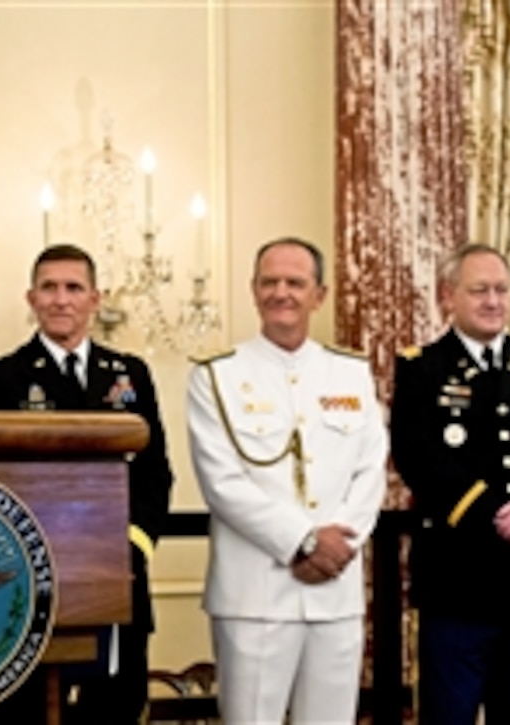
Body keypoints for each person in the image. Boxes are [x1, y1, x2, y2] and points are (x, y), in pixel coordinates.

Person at [187, 237, 387, 724]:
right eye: (269, 282)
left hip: (334, 591)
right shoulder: (217, 375)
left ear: (318, 294)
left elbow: (370, 467)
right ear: (253, 291)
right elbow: (223, 482)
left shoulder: (351, 372)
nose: (282, 293)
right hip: (253, 593)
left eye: (295, 283)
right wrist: (302, 541)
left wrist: (338, 544)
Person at [0, 243, 173, 724]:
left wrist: (133, 544)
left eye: (73, 288)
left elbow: (154, 471)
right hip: (34, 569)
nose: (61, 299)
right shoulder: (1, 377)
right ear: (31, 298)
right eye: (49, 288)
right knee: (34, 708)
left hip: (117, 569)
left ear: (95, 299)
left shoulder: (129, 374)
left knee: (117, 705)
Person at [391, 243, 510, 724]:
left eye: (501, 289)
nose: (493, 301)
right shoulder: (422, 368)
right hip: (459, 584)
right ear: (448, 295)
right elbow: (421, 458)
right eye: (479, 290)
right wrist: (501, 517)